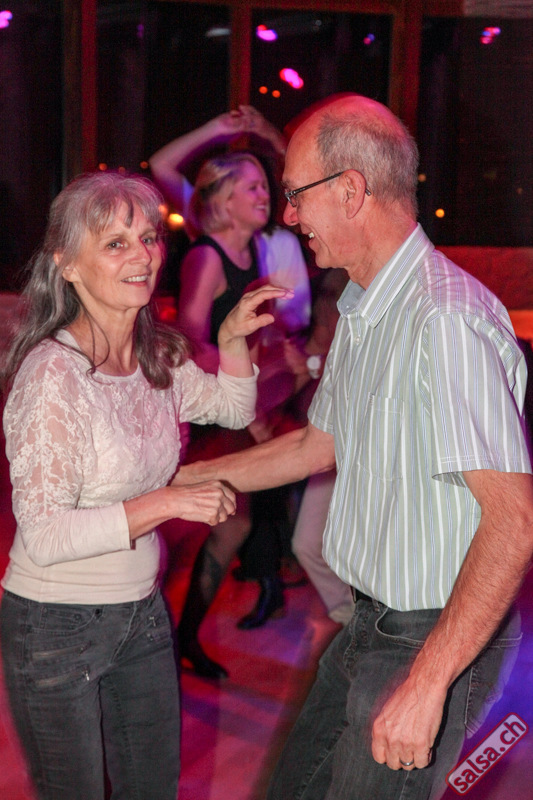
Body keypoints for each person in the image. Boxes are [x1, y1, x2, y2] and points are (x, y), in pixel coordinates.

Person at [173, 93, 533, 800]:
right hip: (369, 627)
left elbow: (514, 520)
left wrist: (428, 683)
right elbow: (316, 446)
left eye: (295, 194)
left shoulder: (443, 319)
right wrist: (183, 477)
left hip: (430, 636)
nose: (288, 216)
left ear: (350, 190)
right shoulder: (366, 306)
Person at [0, 170, 291, 800]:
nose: (144, 256)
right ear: (67, 264)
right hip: (54, 626)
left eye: (149, 238)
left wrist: (232, 339)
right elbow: (45, 535)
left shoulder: (157, 355)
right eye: (116, 243)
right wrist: (168, 501)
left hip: (142, 613)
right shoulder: (53, 376)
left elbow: (232, 408)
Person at [150, 113, 311, 678]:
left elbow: (242, 334)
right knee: (186, 532)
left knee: (234, 525)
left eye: (265, 187)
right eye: (253, 187)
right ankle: (163, 641)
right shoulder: (206, 256)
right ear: (221, 199)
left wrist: (279, 352)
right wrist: (251, 387)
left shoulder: (253, 253)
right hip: (202, 415)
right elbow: (190, 342)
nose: (264, 195)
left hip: (232, 409)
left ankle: (182, 639)